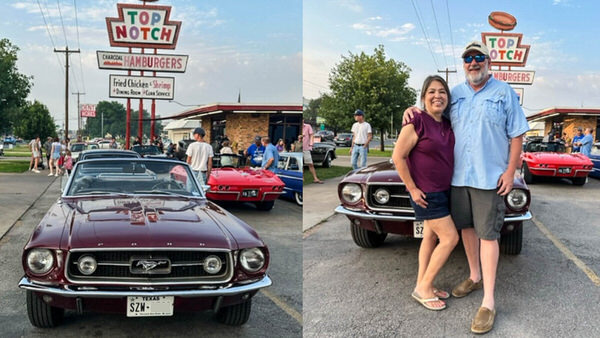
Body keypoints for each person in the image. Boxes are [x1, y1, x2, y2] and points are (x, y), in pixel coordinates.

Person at [404, 41, 529, 334]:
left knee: (488, 235)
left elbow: (517, 136)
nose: (473, 63)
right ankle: (474, 277)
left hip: (489, 179)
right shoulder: (455, 94)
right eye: (468, 59)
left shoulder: (504, 93)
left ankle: (488, 301)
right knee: (466, 230)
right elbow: (432, 115)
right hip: (458, 179)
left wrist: (510, 172)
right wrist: (412, 109)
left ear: (488, 62)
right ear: (463, 64)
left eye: (478, 58)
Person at [392, 75, 458, 311]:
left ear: (448, 98)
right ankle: (424, 288)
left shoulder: (447, 123)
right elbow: (398, 157)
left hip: (444, 190)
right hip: (426, 193)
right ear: (423, 97)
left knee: (430, 237)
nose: (437, 96)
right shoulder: (416, 121)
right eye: (431, 91)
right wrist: (412, 188)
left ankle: (423, 283)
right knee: (450, 238)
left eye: (442, 92)